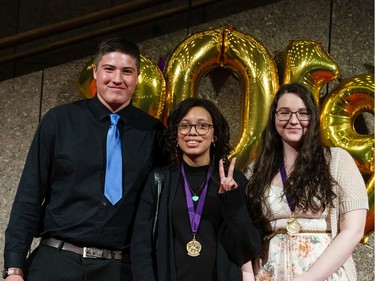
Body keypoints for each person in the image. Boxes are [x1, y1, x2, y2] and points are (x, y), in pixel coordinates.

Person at [3, 36, 166, 281]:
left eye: (127, 71)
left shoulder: (154, 133)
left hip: (119, 269)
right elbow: (29, 194)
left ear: (137, 78)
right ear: (95, 71)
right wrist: (14, 268)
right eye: (109, 69)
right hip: (56, 262)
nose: (117, 79)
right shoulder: (59, 120)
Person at [244, 83, 369, 281]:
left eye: (303, 113)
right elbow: (245, 232)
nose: (293, 120)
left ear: (313, 117)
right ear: (274, 117)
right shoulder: (255, 170)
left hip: (324, 274)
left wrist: (310, 277)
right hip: (269, 274)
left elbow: (353, 230)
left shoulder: (336, 161)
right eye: (284, 112)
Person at [131, 97, 263, 281]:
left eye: (202, 126)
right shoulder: (160, 180)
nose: (192, 132)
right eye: (184, 126)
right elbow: (141, 245)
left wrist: (232, 201)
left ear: (214, 134)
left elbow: (248, 249)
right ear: (176, 133)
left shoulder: (233, 181)